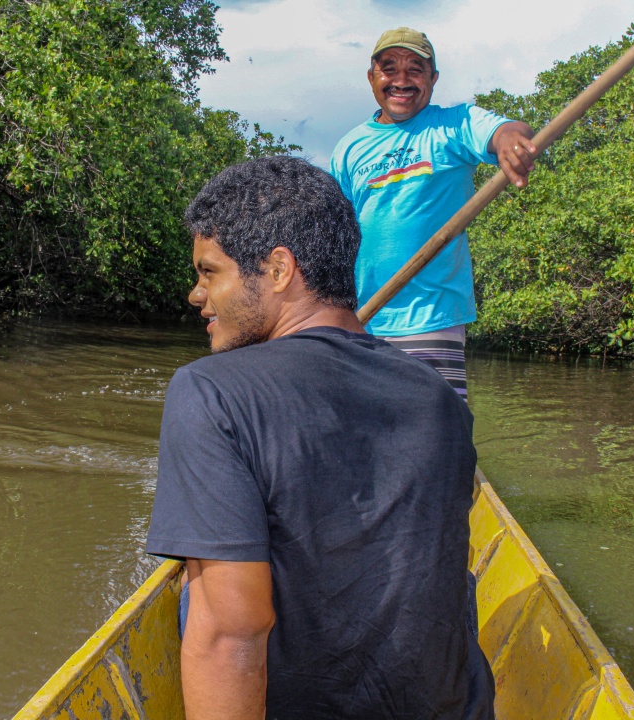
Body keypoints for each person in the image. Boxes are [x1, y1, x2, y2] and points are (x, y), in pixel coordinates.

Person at [145, 156, 494, 720]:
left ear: (279, 270)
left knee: (199, 585)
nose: (195, 294)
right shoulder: (439, 399)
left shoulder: (210, 391)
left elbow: (231, 634)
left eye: (209, 273)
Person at [330, 27, 537, 399]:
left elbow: (504, 130)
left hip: (431, 317)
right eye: (389, 68)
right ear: (371, 77)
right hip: (363, 322)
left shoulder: (454, 125)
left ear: (433, 79)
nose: (401, 80)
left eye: (415, 69)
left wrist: (511, 139)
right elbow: (335, 233)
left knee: (437, 426)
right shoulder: (349, 147)